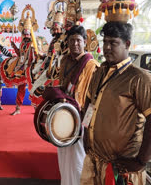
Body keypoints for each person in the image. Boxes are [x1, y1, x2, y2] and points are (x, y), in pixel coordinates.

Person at [81, 22, 151, 185]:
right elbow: (89, 106)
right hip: (94, 162)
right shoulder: (98, 72)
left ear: (127, 44)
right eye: (105, 42)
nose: (107, 47)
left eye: (113, 43)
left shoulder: (139, 78)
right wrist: (86, 135)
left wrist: (141, 160)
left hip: (122, 169)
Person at [54, 25, 99, 185]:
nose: (75, 44)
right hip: (64, 116)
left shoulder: (92, 65)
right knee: (64, 158)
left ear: (85, 42)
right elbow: (61, 84)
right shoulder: (65, 60)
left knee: (78, 161)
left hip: (80, 120)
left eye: (78, 40)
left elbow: (94, 100)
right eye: (72, 40)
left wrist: (86, 127)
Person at [0, 5, 38, 115]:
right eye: (24, 33)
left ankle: (36, 108)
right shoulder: (22, 43)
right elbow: (19, 54)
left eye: (28, 33)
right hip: (21, 68)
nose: (26, 35)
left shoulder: (34, 44)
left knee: (34, 89)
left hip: (32, 69)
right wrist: (14, 47)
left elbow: (36, 56)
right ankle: (17, 108)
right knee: (21, 89)